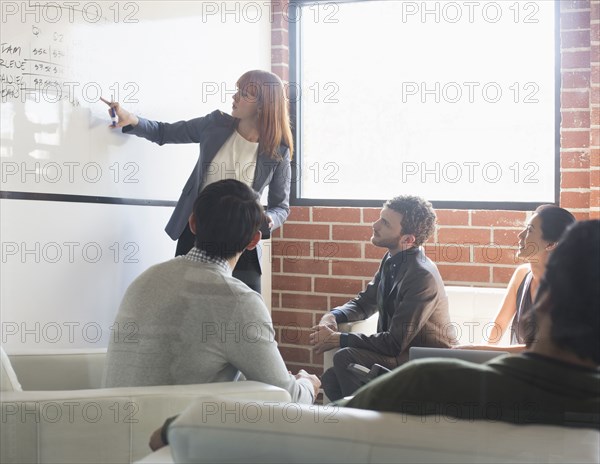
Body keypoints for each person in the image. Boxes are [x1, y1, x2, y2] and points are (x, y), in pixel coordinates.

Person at [342, 220, 600, 430]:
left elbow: (338, 424)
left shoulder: (426, 381)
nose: (520, 235)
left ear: (544, 302)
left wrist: (308, 385)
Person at [104, 179, 320, 406]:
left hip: (110, 429)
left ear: (193, 223)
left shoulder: (146, 278)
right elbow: (288, 398)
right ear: (253, 240)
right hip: (171, 437)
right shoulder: (239, 302)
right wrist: (308, 384)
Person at [102, 69, 293, 293]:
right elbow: (164, 132)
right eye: (237, 91)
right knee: (185, 302)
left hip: (242, 240)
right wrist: (131, 119)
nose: (234, 97)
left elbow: (281, 206)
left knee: (243, 311)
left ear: (263, 104)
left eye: (244, 94)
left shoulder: (278, 151)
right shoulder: (214, 125)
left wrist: (270, 217)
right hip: (197, 233)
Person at [309, 195, 456, 401]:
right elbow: (365, 302)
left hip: (423, 362)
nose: (375, 225)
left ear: (408, 239)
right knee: (331, 379)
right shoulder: (392, 258)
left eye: (385, 223)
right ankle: (356, 426)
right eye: (380, 217)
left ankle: (367, 424)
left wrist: (338, 339)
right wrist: (332, 316)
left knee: (346, 357)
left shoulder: (421, 275)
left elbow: (395, 343)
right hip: (399, 356)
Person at [458, 205, 575, 352]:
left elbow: (546, 349)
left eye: (530, 231)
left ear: (550, 244)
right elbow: (498, 326)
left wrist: (477, 349)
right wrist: (479, 354)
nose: (520, 235)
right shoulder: (522, 275)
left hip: (549, 372)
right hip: (516, 369)